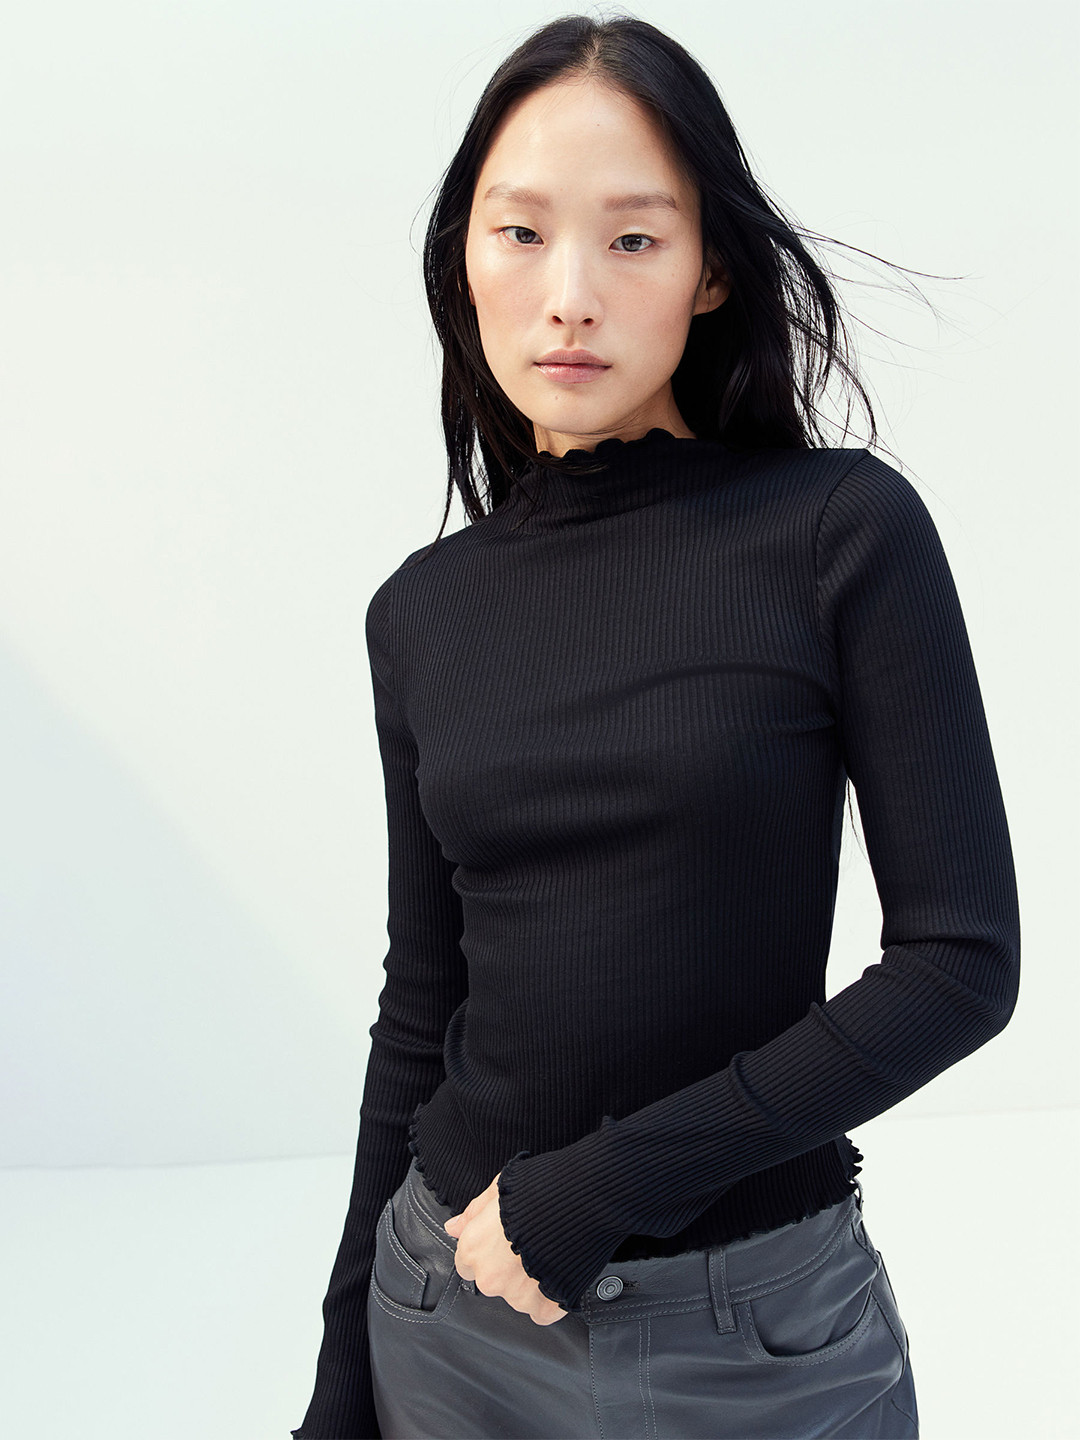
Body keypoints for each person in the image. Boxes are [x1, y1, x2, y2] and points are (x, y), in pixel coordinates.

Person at [292, 13, 1020, 1439]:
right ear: (463, 259)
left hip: (761, 1341)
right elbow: (421, 1014)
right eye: (521, 233)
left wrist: (600, 1188)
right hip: (448, 1319)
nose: (569, 296)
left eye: (632, 239)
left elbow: (959, 967)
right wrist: (339, 1390)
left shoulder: (840, 533)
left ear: (709, 272)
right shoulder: (422, 610)